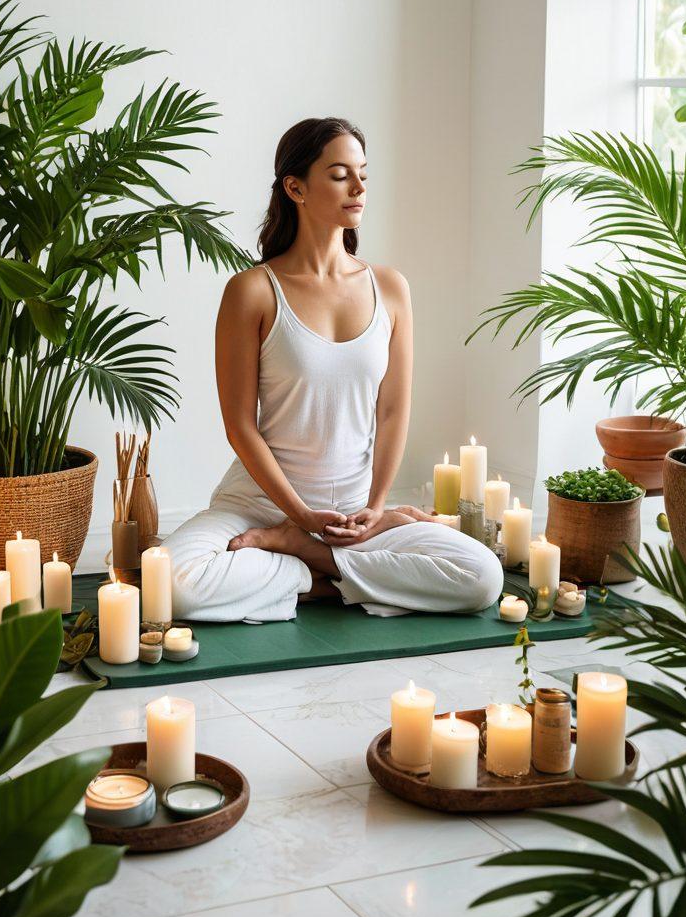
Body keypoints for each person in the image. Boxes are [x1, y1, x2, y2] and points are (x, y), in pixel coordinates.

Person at [166, 116, 503, 621]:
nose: (359, 186)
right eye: (340, 173)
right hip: (259, 503)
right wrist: (298, 517)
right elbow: (240, 425)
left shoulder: (391, 288)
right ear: (295, 187)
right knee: (177, 585)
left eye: (363, 172)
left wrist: (375, 508)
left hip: (354, 512)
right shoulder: (253, 291)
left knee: (482, 577)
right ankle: (331, 571)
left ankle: (309, 561)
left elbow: (392, 411)